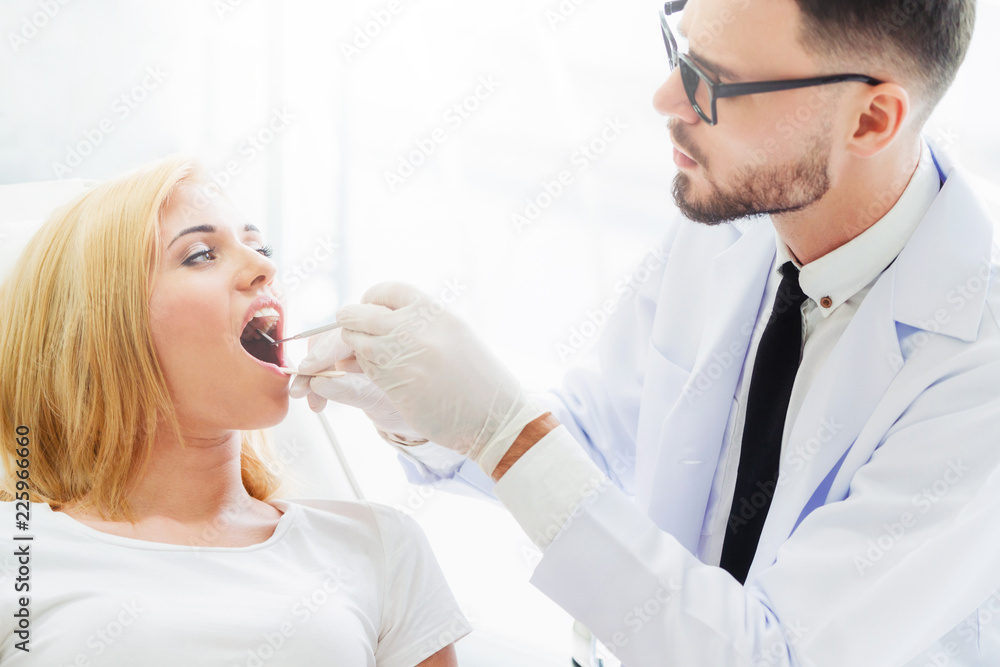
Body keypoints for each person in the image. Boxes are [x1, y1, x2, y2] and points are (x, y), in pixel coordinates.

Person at [290, 0, 1000, 665]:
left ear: (872, 120)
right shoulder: (736, 225)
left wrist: (501, 429)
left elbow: (771, 652)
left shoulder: (976, 371)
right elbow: (599, 444)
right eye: (680, 46)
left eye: (715, 82)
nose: (667, 98)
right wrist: (425, 414)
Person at [0, 157, 470, 666]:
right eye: (201, 255)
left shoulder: (380, 546)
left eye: (260, 246)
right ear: (100, 332)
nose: (265, 267)